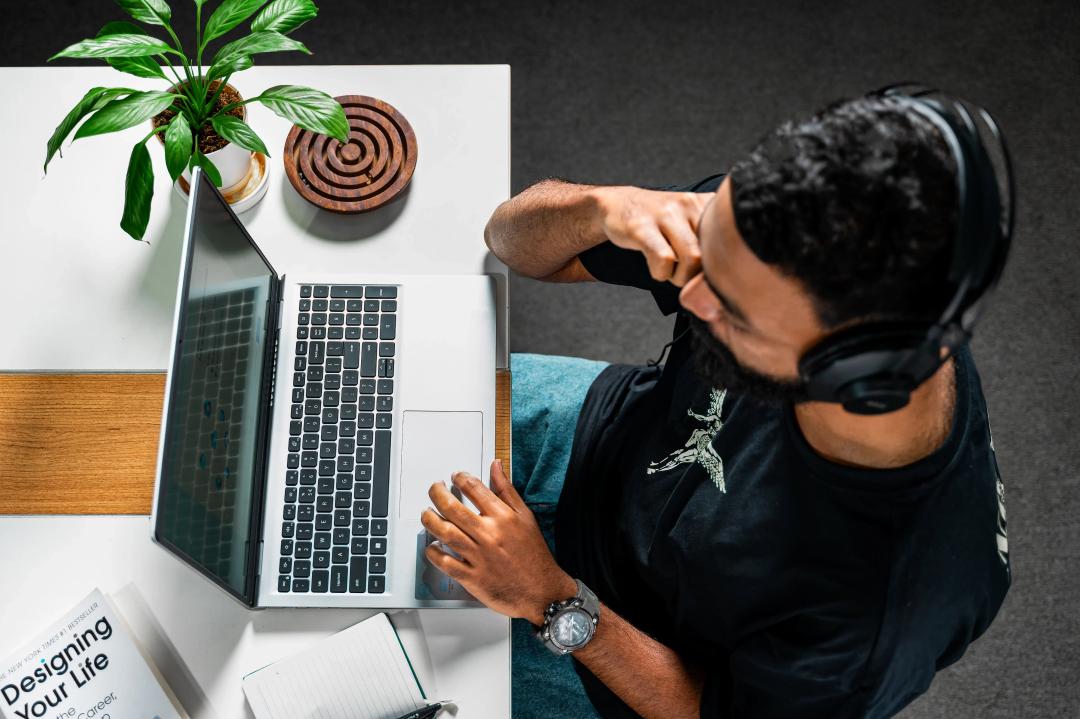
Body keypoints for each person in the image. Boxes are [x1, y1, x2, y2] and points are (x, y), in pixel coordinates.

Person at [419, 94, 1012, 718]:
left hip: (622, 643)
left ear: (853, 377)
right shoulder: (780, 230)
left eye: (733, 310)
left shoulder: (879, 616)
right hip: (601, 435)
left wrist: (553, 600)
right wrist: (607, 207)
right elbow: (511, 240)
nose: (692, 295)